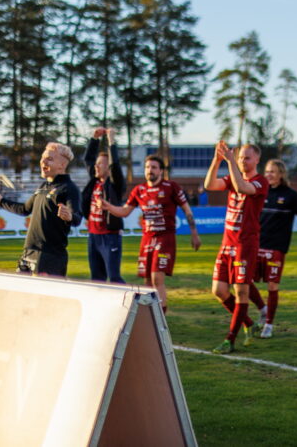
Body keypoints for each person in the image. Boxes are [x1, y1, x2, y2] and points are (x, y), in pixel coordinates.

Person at [101, 155, 201, 313]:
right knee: (147, 282)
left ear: (161, 171)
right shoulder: (139, 190)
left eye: (154, 167)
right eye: (147, 167)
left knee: (157, 278)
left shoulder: (171, 187)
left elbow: (187, 210)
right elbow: (125, 211)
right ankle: (151, 317)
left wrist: (194, 233)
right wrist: (108, 207)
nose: (150, 170)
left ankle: (161, 318)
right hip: (147, 239)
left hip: (165, 238)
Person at [204, 142, 270, 353]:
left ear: (257, 160)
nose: (243, 161)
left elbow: (242, 187)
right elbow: (209, 184)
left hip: (245, 244)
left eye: (247, 158)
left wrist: (231, 161)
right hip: (227, 243)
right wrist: (217, 160)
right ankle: (249, 323)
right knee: (219, 290)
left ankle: (230, 339)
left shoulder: (261, 182)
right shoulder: (232, 177)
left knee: (241, 291)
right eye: (240, 157)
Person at [0, 142, 82, 276]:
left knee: (44, 291)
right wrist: (0, 200)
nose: (43, 161)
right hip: (29, 251)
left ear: (62, 165)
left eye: (49, 159)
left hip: (50, 256)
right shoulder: (43, 186)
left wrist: (70, 216)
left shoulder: (69, 188)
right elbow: (24, 209)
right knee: (21, 289)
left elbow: (77, 218)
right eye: (43, 158)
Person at [255, 158, 297, 338]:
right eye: (267, 171)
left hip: (277, 248)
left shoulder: (291, 195)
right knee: (244, 281)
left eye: (272, 171)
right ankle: (262, 309)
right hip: (256, 245)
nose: (268, 175)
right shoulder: (260, 192)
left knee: (272, 286)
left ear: (281, 174)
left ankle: (269, 324)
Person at [82, 127, 127, 283]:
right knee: (96, 278)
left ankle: (128, 299)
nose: (96, 166)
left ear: (108, 168)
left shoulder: (115, 185)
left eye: (100, 164)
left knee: (114, 277)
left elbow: (116, 165)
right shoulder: (94, 181)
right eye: (97, 164)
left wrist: (111, 141)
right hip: (93, 236)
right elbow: (88, 159)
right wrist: (94, 139)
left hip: (110, 236)